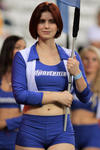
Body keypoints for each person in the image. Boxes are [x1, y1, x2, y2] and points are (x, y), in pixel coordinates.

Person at [12, 2, 91, 150]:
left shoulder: (71, 55)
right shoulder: (23, 56)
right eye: (42, 21)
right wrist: (57, 96)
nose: (46, 26)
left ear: (58, 25)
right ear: (35, 25)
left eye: (51, 21)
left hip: (62, 128)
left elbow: (85, 97)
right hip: (31, 128)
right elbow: (20, 95)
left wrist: (77, 73)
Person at [71, 45, 100, 150]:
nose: (90, 63)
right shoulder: (72, 82)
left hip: (91, 133)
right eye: (86, 59)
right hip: (71, 131)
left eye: (94, 59)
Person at [0, 35, 26, 150]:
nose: (22, 52)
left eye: (24, 48)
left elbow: (31, 112)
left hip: (17, 137)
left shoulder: (28, 79)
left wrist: (6, 123)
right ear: (8, 49)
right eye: (18, 47)